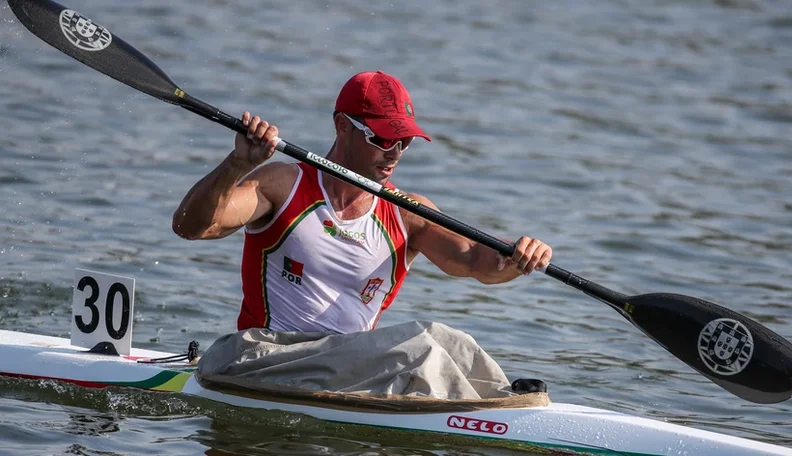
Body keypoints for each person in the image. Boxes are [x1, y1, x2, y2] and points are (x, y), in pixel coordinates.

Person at [172, 71, 552, 334]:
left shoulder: (407, 214)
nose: (395, 153)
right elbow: (190, 226)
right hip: (261, 358)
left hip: (344, 371)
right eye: (383, 139)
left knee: (447, 343)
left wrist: (519, 258)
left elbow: (476, 261)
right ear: (342, 126)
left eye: (404, 142)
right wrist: (237, 163)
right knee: (428, 347)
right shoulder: (282, 185)